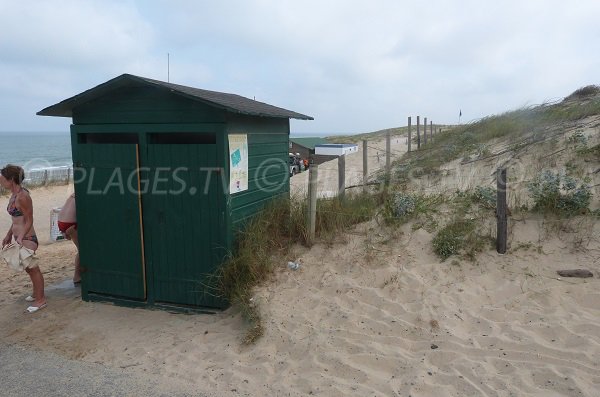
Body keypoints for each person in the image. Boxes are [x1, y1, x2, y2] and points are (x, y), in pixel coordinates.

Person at [0, 164, 46, 313]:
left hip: (27, 237)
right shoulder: (14, 195)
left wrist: (20, 236)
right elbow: (15, 218)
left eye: (2, 179)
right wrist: (8, 235)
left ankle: (40, 300)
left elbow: (29, 219)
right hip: (19, 237)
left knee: (33, 269)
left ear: (11, 180)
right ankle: (35, 294)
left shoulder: (23, 196)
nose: (1, 181)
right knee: (28, 268)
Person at [57, 192, 80, 284]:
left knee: (81, 250)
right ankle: (77, 277)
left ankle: (79, 275)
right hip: (71, 223)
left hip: (62, 221)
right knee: (82, 251)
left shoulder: (74, 193)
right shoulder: (87, 193)